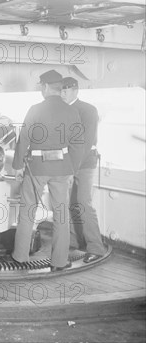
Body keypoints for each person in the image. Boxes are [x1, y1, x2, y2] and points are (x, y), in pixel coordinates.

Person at [11, 69, 82, 271]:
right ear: (59, 88)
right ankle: (59, 261)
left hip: (37, 167)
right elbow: (78, 144)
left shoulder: (35, 109)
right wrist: (73, 168)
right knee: (61, 214)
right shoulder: (72, 111)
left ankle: (20, 256)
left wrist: (17, 166)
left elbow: (23, 139)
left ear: (44, 87)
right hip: (62, 168)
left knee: (27, 210)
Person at [61, 76, 106, 263]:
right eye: (60, 91)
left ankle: (96, 248)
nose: (62, 94)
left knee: (83, 203)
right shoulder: (61, 110)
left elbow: (86, 143)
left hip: (85, 163)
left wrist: (72, 168)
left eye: (66, 91)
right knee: (68, 203)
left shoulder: (88, 110)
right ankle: (73, 240)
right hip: (68, 162)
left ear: (75, 91)